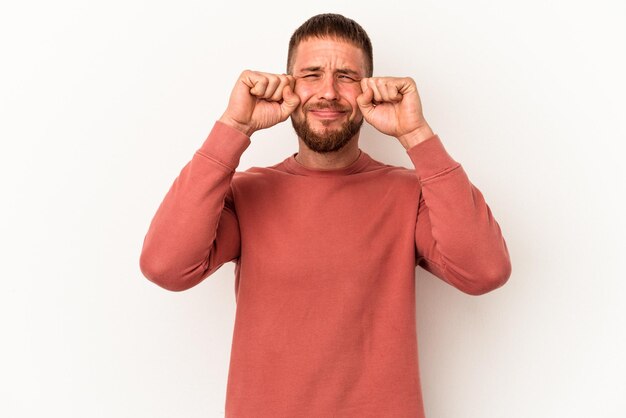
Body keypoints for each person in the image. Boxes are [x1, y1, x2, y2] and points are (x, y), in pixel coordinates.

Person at [140, 13, 511, 418]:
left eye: (347, 77)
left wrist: (416, 135)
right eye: (312, 74)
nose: (329, 92)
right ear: (288, 86)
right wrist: (234, 126)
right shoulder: (246, 193)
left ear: (370, 88)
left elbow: (485, 270)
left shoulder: (409, 193)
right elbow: (166, 266)